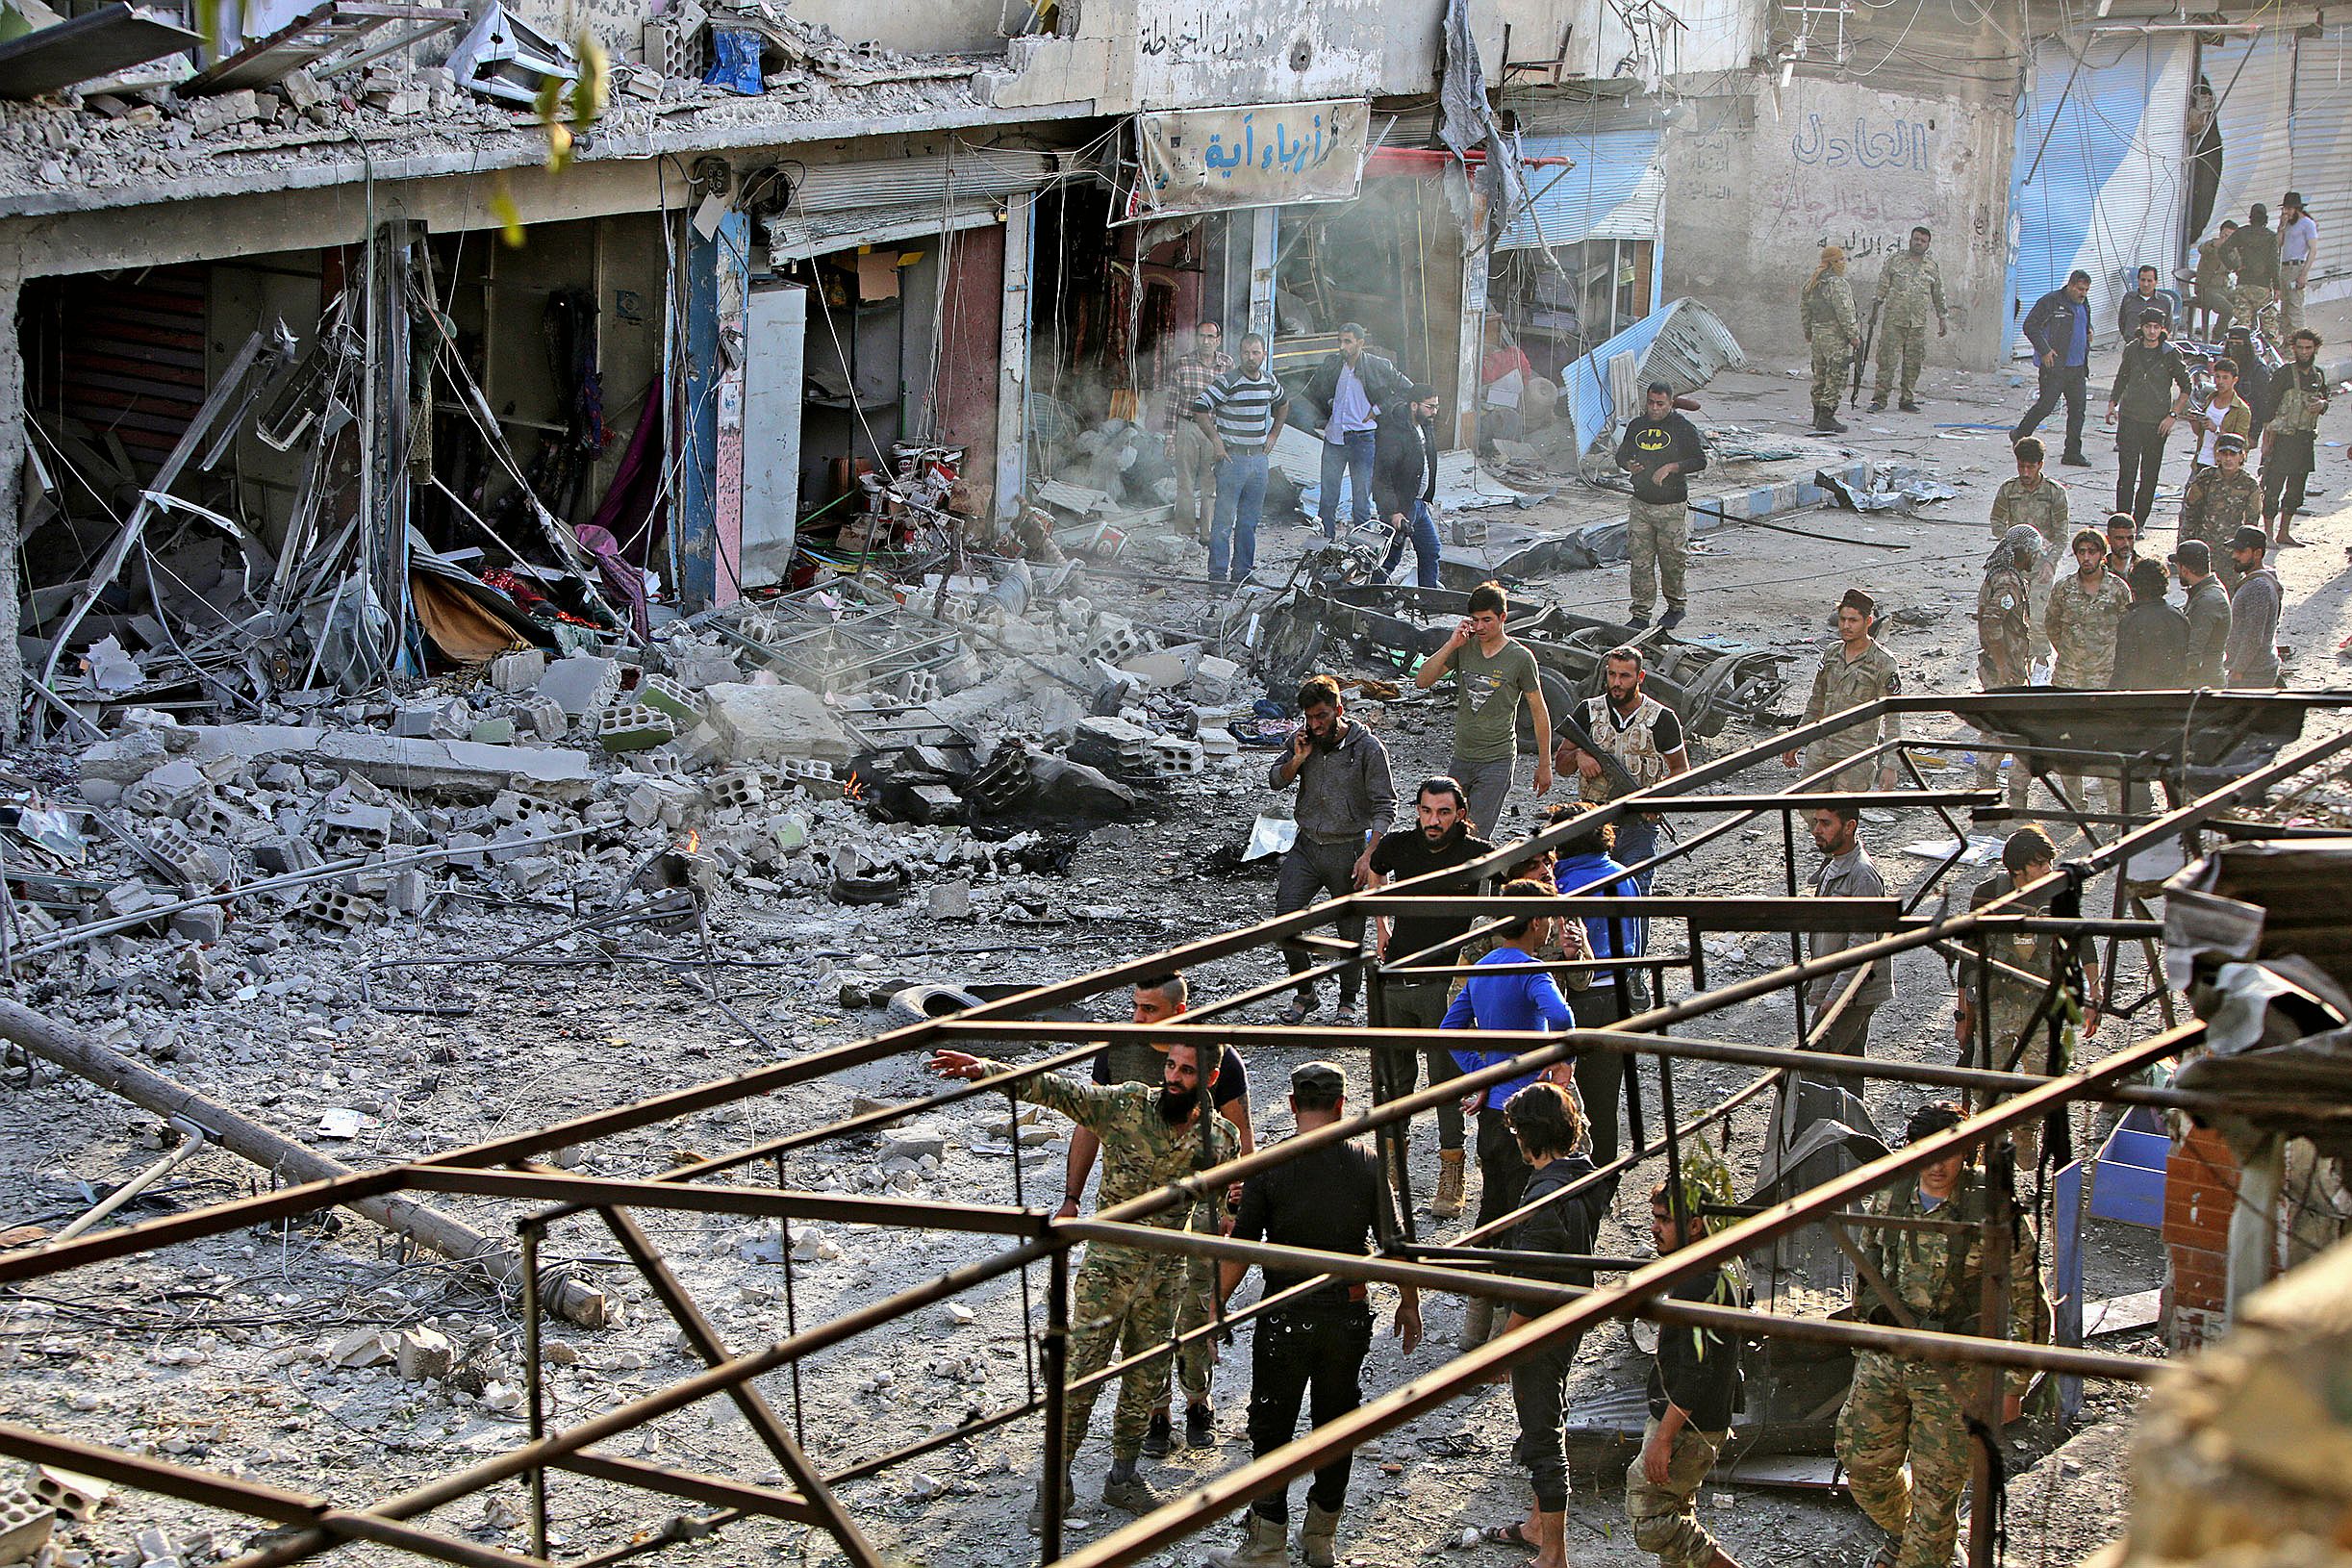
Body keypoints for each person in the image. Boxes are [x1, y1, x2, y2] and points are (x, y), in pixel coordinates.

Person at [927, 1038, 1238, 1520]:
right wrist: (986, 1069)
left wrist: (1232, 1217)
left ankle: (1123, 1477)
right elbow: (1057, 1091)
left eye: (1187, 1071)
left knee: (1145, 1377)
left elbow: (1220, 1205)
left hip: (1165, 1277)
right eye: (1170, 1066)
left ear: (1211, 1079)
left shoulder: (1220, 1139)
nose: (1173, 1078)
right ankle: (1056, 1482)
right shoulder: (1127, 1106)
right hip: (1107, 1272)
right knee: (1080, 1376)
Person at [1204, 1061, 1420, 1568]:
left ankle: (1267, 1543)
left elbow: (1242, 1248)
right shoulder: (1368, 1163)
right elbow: (1395, 1246)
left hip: (1285, 1316)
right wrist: (1409, 1302)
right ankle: (1321, 1537)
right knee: (1336, 1424)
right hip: (1347, 1316)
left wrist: (1214, 1309)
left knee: (1272, 1425)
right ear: (1341, 1104)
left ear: (1292, 1104)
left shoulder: (1271, 1166)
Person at [1834, 1102, 2049, 1568]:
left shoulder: (1992, 1209)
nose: (1937, 1166)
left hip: (1955, 1372)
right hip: (1888, 1357)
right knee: (1863, 1466)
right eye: (1926, 1152)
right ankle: (1911, 1536)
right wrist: (1863, 1344)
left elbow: (2030, 1302)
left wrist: (2013, 1386)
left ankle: (1924, 1549)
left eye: (1948, 1153)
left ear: (1967, 1153)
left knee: (1937, 1494)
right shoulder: (1891, 1194)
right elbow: (1868, 1271)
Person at [1056, 975, 1255, 1457]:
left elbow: (1240, 1135)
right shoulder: (1119, 1053)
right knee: (1142, 1323)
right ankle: (1156, 1413)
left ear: (1179, 1010)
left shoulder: (1212, 1055)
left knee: (1194, 1310)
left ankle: (1198, 1399)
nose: (1138, 1018)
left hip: (1195, 1210)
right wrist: (1072, 1195)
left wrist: (1237, 1204)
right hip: (1132, 1208)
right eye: (1136, 1006)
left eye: (1149, 1009)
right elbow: (1089, 1126)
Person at [1444, 878, 1574, 1349]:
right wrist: (1559, 1065)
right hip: (1532, 1113)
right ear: (1536, 922)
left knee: (1492, 1207)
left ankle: (1474, 1325)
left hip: (1493, 1112)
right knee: (1527, 1214)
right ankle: (1508, 1328)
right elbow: (1561, 1018)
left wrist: (1483, 1071)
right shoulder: (1533, 971)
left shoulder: (1482, 967)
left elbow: (1450, 1028)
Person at [1365, 776, 1495, 1219]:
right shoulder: (1400, 845)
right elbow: (1375, 869)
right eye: (1426, 811)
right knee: (1394, 1078)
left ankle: (1451, 1172)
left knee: (1444, 1083)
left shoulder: (1476, 853)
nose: (1433, 821)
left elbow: (1508, 889)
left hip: (1445, 982)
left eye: (1443, 812)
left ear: (1460, 814)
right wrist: (1381, 925)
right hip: (1398, 973)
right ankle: (1391, 1165)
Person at [1493, 1082, 1608, 1568]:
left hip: (1543, 1327)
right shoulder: (1584, 1175)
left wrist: (1503, 1347)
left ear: (1529, 1137)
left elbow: (1531, 1292)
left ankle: (1553, 1554)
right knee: (1550, 1411)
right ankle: (1537, 1525)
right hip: (1570, 1316)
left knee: (1540, 1433)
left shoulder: (1544, 1197)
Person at [1956, 828, 2102, 1167]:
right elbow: (1968, 954)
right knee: (1988, 1082)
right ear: (2017, 869)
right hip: (1996, 1004)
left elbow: (2084, 941)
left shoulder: (2058, 893)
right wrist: (1962, 1016)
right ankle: (1993, 1143)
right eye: (2039, 863)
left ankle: (2026, 1130)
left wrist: (2094, 993)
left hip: (2042, 1005)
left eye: (2049, 861)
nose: (2048, 869)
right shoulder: (1989, 894)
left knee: (2043, 1081)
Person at [1626, 1178, 1746, 1568]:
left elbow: (1695, 1373)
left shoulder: (1700, 1282)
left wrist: (1664, 1439)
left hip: (1689, 1424)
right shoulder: (1723, 1262)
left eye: (1664, 1220)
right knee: (1675, 1508)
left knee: (1649, 1518)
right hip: (1701, 1417)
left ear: (1695, 1225)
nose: (1654, 1228)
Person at [1269, 675, 1396, 1027]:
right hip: (1307, 847)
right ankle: (1305, 992)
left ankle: (1348, 1001)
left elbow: (1386, 806)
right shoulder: (1303, 740)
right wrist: (1298, 758)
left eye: (1322, 716)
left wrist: (1370, 855)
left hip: (1348, 849)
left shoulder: (1367, 748)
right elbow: (1276, 780)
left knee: (1350, 932)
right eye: (1309, 717)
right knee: (1285, 921)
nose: (1315, 724)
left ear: (1339, 710)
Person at [1412, 580, 1555, 842]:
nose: (1480, 627)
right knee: (1444, 828)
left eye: (1487, 620)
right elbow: (1422, 680)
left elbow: (1538, 710)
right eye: (1475, 620)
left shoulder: (1520, 658)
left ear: (1502, 617)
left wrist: (1544, 764)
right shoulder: (1465, 648)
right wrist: (1451, 644)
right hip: (1462, 756)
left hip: (1497, 759)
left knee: (1475, 836)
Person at [1548, 801, 1643, 1171]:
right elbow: (1639, 936)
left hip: (1579, 996)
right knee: (1604, 1100)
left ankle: (1570, 1175)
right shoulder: (1623, 875)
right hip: (1618, 996)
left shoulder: (1562, 886)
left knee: (1568, 1097)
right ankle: (1605, 1176)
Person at [1554, 645, 1691, 894]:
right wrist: (1578, 756)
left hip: (1639, 825)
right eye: (1612, 674)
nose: (1616, 683)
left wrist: (1655, 799)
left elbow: (1681, 770)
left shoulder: (1661, 718)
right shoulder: (1589, 711)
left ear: (1640, 677)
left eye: (1625, 676)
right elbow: (1561, 765)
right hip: (1593, 826)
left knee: (1636, 894)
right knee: (1591, 895)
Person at [1191, 332, 1290, 585]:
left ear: (1264, 354)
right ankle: (1217, 577)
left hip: (1258, 460)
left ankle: (1242, 574)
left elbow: (1283, 404)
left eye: (1255, 352)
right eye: (1246, 352)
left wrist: (1274, 434)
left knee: (1249, 522)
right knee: (1224, 522)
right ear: (1239, 354)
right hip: (1232, 460)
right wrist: (1216, 441)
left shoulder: (1269, 381)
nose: (1250, 357)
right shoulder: (1228, 381)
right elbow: (1200, 408)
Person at [1782, 588, 1902, 791]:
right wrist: (1797, 739)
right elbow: (1816, 702)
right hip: (1821, 750)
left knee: (1843, 808)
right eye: (1842, 619)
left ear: (1868, 622)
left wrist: (1891, 764)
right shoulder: (1831, 653)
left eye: (1853, 621)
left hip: (1856, 757)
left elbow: (1893, 716)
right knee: (1808, 806)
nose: (1846, 626)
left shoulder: (1883, 662)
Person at [1613, 382, 1709, 629]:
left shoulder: (1682, 428)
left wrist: (1672, 467)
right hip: (1641, 504)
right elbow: (1621, 455)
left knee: (1672, 561)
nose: (1654, 409)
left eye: (1660, 404)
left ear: (1671, 404)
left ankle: (1676, 607)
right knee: (1640, 562)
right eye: (1650, 403)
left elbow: (1699, 461)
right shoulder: (1637, 425)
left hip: (1671, 506)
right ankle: (1640, 613)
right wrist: (1629, 465)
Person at [1307, 323, 1410, 543]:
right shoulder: (1334, 364)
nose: (1342, 346)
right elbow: (1318, 388)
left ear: (1360, 343)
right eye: (1340, 341)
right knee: (1328, 497)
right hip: (1334, 437)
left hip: (1362, 439)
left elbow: (1407, 389)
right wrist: (1329, 402)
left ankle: (1359, 547)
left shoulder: (1377, 365)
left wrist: (1378, 409)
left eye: (1348, 342)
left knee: (1361, 499)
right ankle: (1326, 543)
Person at [1803, 802, 1891, 1055]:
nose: (1816, 830)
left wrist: (1836, 997)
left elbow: (1861, 947)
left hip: (1851, 993)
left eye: (1825, 823)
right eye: (1816, 822)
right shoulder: (1834, 865)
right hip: (1843, 987)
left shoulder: (1862, 875)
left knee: (1813, 1062)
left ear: (1849, 826)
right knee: (1848, 1065)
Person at [2103, 307, 2191, 525]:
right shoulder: (2132, 349)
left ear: (2162, 329)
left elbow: (2186, 387)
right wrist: (2112, 404)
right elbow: (2122, 377)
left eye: (2156, 327)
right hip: (2130, 419)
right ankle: (2123, 521)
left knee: (2149, 475)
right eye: (2148, 327)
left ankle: (2140, 522)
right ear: (2141, 328)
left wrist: (2173, 415)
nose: (2152, 331)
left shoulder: (2170, 354)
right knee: (2127, 474)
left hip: (2156, 423)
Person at [1988, 437, 2070, 661]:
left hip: (2042, 560)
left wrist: (2050, 563)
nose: (2025, 472)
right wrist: (2011, 539)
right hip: (2014, 560)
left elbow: (2062, 534)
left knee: (2038, 613)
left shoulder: (2054, 493)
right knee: (2009, 610)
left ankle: (2041, 660)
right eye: (2021, 466)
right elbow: (1996, 521)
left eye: (2030, 467)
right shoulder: (2008, 490)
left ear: (2040, 465)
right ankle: (2015, 658)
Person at [1974, 525, 2038, 807]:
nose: (2035, 558)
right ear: (2022, 552)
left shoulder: (2001, 576)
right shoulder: (2008, 582)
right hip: (2004, 674)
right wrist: (2002, 666)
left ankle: (1987, 800)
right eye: (2033, 552)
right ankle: (2013, 804)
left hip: (2003, 669)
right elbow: (1992, 622)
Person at [2012, 269, 2095, 465]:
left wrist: (2089, 331)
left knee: (2078, 411)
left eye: (2086, 290)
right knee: (2045, 406)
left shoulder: (2084, 303)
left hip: (2077, 368)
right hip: (2056, 367)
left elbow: (2084, 323)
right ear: (2070, 285)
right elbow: (2030, 326)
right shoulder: (2051, 301)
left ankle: (2072, 453)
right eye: (2080, 289)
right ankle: (2020, 434)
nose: (2083, 294)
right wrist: (2044, 350)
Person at [1163, 319, 1232, 542]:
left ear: (1218, 340)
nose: (1206, 341)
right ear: (1196, 339)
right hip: (1188, 426)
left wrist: (1227, 437)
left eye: (1211, 337)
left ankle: (1207, 534)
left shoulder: (1227, 365)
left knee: (1210, 484)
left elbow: (1231, 402)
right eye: (1202, 336)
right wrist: (1170, 439)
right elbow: (1172, 404)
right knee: (1184, 483)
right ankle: (1185, 533)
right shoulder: (1183, 364)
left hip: (1214, 430)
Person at [1869, 225, 1948, 414]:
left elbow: (1938, 293)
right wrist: (1875, 311)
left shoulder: (1931, 267)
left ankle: (1907, 399)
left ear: (1928, 245)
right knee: (1887, 362)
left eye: (1923, 241)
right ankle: (1880, 399)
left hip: (1917, 324)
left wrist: (1942, 317)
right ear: (1910, 240)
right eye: (1916, 239)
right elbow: (1882, 286)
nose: (1918, 243)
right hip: (1894, 322)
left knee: (1913, 363)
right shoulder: (1895, 261)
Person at [2262, 329, 2328, 546]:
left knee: (2296, 490)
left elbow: (2325, 399)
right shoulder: (2284, 374)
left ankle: (2284, 532)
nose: (2304, 352)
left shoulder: (2318, 375)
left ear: (2315, 349)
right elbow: (2269, 407)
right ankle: (2268, 534)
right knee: (2273, 488)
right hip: (2282, 439)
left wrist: (2322, 405)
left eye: (2308, 348)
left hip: (2305, 440)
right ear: (2294, 348)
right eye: (2300, 348)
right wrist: (2266, 442)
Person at [1374, 384, 1444, 588]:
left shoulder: (1425, 425)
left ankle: (1428, 597)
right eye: (1430, 407)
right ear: (1414, 406)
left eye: (1436, 407)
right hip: (1401, 506)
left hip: (1418, 505)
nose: (1434, 412)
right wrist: (1393, 511)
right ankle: (1372, 596)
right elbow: (1381, 476)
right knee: (1389, 558)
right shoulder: (1394, 432)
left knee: (1430, 550)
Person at [2181, 435, 2261, 591]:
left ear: (2242, 456)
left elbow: (2252, 522)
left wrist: (2246, 555)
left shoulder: (2250, 484)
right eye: (2224, 454)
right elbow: (2190, 513)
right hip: (2204, 548)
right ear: (2218, 455)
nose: (2228, 459)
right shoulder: (2206, 478)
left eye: (2233, 454)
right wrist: (2186, 545)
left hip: (2231, 553)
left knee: (2229, 593)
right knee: (2200, 592)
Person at [1802, 244, 1859, 433]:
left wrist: (1808, 331)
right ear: (1833, 262)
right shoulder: (1837, 284)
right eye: (1841, 259)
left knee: (1820, 374)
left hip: (1818, 335)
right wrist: (1853, 335)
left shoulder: (1812, 283)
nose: (1843, 263)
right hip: (1834, 337)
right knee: (1836, 375)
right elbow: (1845, 311)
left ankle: (1817, 415)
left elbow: (1805, 310)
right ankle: (1826, 417)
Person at [2112, 559, 2188, 689]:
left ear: (2135, 588)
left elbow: (2122, 670)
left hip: (2142, 695)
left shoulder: (2131, 621)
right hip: (2172, 694)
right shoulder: (2178, 618)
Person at [2224, 525, 2282, 689]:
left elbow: (2253, 636)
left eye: (2241, 552)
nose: (2234, 556)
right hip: (2254, 669)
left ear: (2257, 554)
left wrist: (2238, 671)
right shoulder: (2259, 580)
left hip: (2253, 673)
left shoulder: (2258, 587)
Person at [2173, 540, 2232, 688]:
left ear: (2184, 569)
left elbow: (2194, 651)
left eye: (2177, 566)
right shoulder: (2208, 590)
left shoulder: (2206, 601)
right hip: (2207, 678)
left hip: (2203, 683)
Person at [2184, 354, 2253, 472]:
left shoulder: (2241, 410)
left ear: (2234, 380)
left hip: (2222, 466)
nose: (2220, 382)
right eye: (2217, 377)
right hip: (2201, 460)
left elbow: (2240, 445)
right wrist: (2194, 421)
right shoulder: (2210, 399)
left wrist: (2216, 429)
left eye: (2225, 378)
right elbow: (2200, 433)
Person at [2220, 204, 2280, 333]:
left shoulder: (2241, 233)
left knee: (2243, 324)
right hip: (2262, 285)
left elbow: (2223, 250)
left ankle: (2244, 344)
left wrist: (2235, 267)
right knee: (2269, 324)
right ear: (2265, 219)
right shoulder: (2270, 236)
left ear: (2251, 217)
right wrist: (2277, 286)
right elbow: (2273, 263)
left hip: (2243, 282)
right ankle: (2269, 345)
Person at [2277, 192, 2318, 336]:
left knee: (2295, 307)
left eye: (2289, 209)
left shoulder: (2307, 224)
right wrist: (2281, 226)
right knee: (2285, 307)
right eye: (2284, 209)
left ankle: (2299, 339)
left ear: (2297, 209)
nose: (2286, 212)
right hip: (2284, 267)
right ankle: (2287, 341)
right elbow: (2278, 243)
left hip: (2297, 267)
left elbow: (2313, 250)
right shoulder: (2288, 223)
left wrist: (2304, 274)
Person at [2192, 220, 2239, 337]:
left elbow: (2237, 266)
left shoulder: (2232, 250)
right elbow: (2202, 248)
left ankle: (2236, 331)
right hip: (2207, 289)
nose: (2226, 238)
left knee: (2246, 301)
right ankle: (2217, 336)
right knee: (2227, 309)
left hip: (2224, 288)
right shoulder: (2212, 245)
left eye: (2230, 236)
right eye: (2224, 235)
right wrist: (2216, 244)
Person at [2113, 264, 2179, 338]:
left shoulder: (2164, 301)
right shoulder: (2129, 298)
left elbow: (2168, 326)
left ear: (2156, 282)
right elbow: (2122, 322)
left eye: (2149, 281)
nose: (2145, 284)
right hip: (2132, 342)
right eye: (2143, 280)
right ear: (2138, 280)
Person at [2103, 513, 2140, 580]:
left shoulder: (2145, 569)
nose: (2126, 544)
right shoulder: (2099, 570)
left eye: (2130, 538)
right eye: (2119, 538)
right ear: (2108, 540)